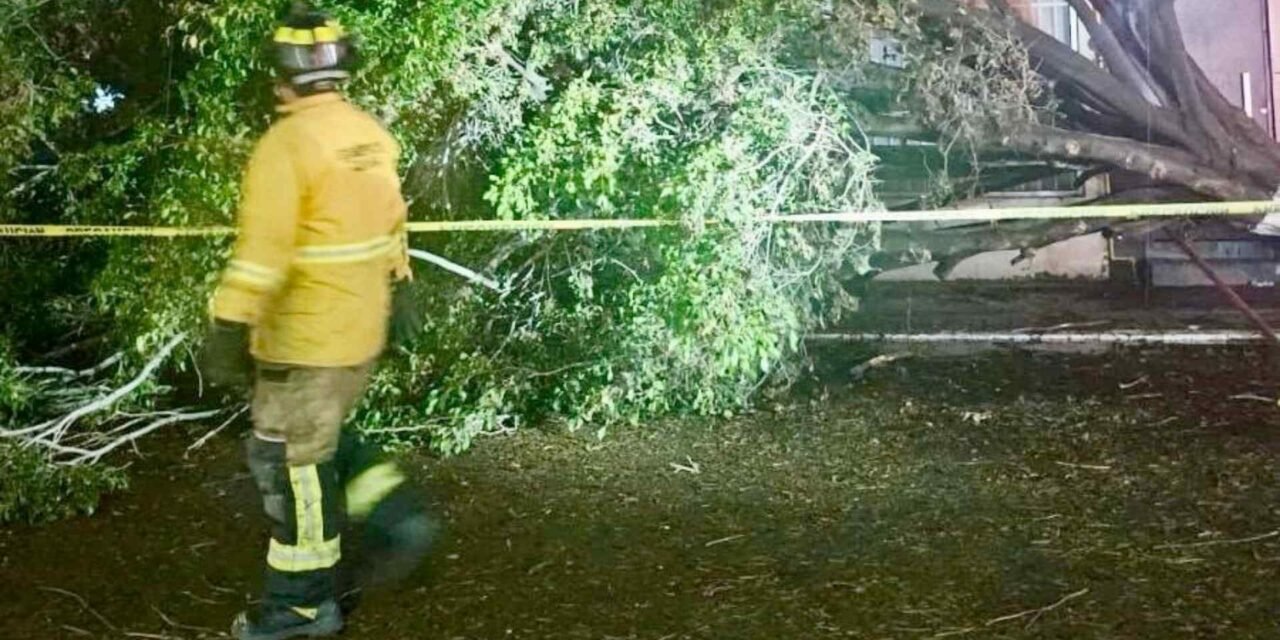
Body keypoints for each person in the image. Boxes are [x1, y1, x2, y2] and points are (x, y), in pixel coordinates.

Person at [200, 5, 435, 639]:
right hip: (359, 334)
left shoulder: (287, 147)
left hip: (303, 341)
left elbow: (261, 253)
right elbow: (391, 228)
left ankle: (299, 609)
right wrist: (403, 288)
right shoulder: (370, 137)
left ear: (279, 75)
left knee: (290, 466)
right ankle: (396, 510)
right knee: (327, 439)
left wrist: (227, 326)